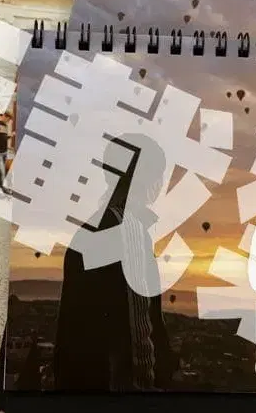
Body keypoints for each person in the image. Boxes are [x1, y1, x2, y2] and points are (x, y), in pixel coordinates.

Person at [53, 134, 178, 391]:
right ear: (144, 178)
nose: (161, 182)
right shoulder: (125, 231)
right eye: (158, 173)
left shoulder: (93, 226)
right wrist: (147, 387)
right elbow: (137, 324)